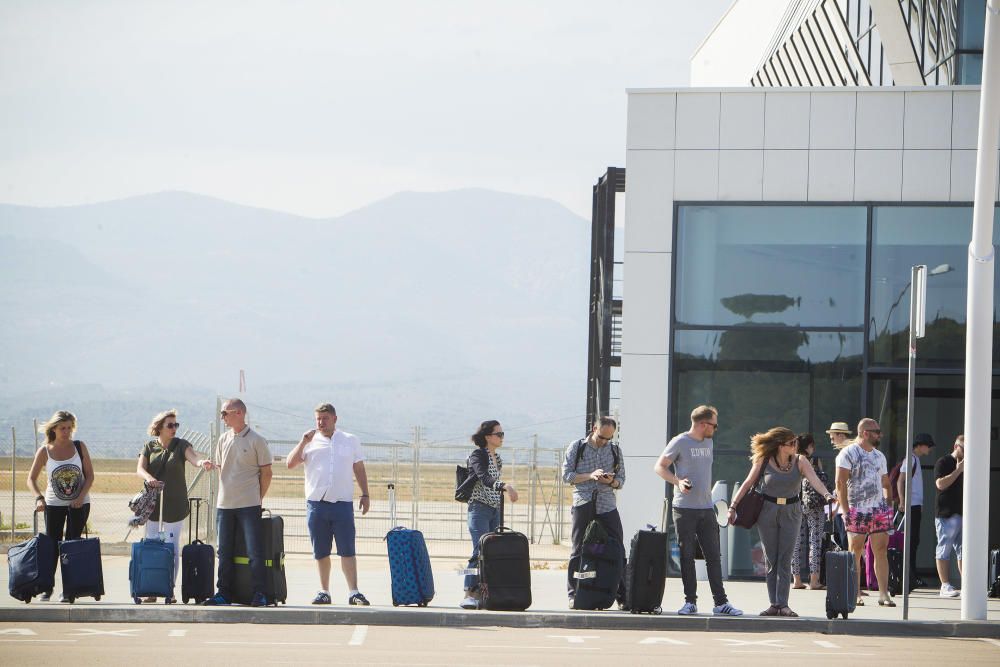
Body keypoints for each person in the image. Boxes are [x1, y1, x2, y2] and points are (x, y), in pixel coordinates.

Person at [730, 427, 835, 617]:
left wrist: (827, 495)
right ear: (780, 446)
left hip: (792, 511)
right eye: (792, 443)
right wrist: (733, 506)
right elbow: (747, 483)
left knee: (785, 559)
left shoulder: (800, 461)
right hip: (767, 511)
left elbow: (814, 481)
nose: (796, 445)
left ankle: (783, 604)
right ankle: (773, 604)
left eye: (796, 442)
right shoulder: (764, 461)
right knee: (772, 560)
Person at [654, 405, 743, 616]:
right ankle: (690, 602)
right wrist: (678, 482)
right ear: (703, 424)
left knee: (713, 556)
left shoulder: (709, 442)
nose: (716, 429)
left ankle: (721, 603)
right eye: (714, 425)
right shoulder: (680, 441)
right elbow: (659, 467)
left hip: (706, 508)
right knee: (686, 556)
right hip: (684, 509)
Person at [285, 403, 371, 606]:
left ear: (334, 419)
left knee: (347, 549)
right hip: (317, 504)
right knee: (321, 550)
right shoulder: (310, 441)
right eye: (318, 419)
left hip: (342, 504)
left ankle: (353, 591)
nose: (321, 423)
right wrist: (302, 442)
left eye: (325, 418)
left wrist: (365, 494)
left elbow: (358, 468)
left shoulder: (350, 440)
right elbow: (290, 463)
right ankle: (324, 590)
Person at [135, 409, 213, 602]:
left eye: (176, 425)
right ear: (159, 428)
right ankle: (152, 590)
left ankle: (169, 588)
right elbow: (140, 469)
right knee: (152, 545)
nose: (174, 428)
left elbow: (193, 458)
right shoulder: (149, 447)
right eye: (170, 425)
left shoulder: (181, 445)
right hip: (154, 505)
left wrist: (202, 462)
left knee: (171, 547)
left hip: (175, 506)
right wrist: (150, 479)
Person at [203, 398, 273, 606]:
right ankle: (223, 593)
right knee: (224, 551)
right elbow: (221, 467)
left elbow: (267, 473)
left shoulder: (257, 440)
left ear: (239, 413)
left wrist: (258, 498)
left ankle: (260, 593)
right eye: (222, 414)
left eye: (225, 413)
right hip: (224, 505)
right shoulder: (223, 439)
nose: (222, 417)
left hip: (249, 504)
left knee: (254, 551)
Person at [26, 410, 95, 603]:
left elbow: (90, 475)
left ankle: (69, 589)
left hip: (79, 505)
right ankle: (46, 588)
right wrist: (39, 498)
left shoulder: (79, 447)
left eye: (69, 428)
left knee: (72, 546)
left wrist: (80, 497)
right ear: (53, 429)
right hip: (54, 504)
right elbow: (31, 479)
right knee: (52, 546)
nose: (66, 432)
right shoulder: (45, 451)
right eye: (62, 428)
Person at [562, 417, 627, 608]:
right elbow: (567, 476)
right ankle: (574, 594)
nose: (604, 442)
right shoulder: (577, 447)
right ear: (594, 429)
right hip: (583, 500)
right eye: (601, 437)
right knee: (578, 548)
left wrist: (611, 482)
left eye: (609, 438)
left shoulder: (615, 450)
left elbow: (621, 480)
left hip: (607, 502)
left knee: (618, 548)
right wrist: (590, 476)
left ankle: (622, 596)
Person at [835, 417, 894, 607]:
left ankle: (884, 594)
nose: (880, 434)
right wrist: (846, 511)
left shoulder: (879, 456)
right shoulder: (848, 453)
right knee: (855, 551)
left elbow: (886, 482)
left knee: (881, 550)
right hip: (856, 509)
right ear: (865, 433)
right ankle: (855, 593)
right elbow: (840, 483)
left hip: (878, 509)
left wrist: (888, 507)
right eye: (877, 431)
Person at [460, 420, 518, 610]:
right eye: (498, 434)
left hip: (494, 509)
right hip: (479, 508)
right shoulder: (478, 455)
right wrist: (505, 486)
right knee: (479, 549)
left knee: (492, 553)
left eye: (502, 434)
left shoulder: (497, 458)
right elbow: (484, 478)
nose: (501, 438)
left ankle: (485, 592)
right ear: (487, 437)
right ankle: (469, 592)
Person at [791, 433, 832, 591]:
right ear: (808, 446)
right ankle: (814, 580)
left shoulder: (793, 461)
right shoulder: (813, 461)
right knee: (815, 541)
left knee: (796, 542)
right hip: (815, 505)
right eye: (812, 445)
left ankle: (797, 580)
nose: (813, 448)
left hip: (796, 505)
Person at [894, 432, 935, 589]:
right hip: (910, 506)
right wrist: (903, 502)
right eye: (928, 445)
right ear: (920, 445)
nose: (930, 448)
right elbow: (900, 480)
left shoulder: (915, 459)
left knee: (914, 541)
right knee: (911, 541)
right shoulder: (910, 459)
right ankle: (909, 575)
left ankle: (912, 575)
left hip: (916, 505)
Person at [933, 434, 964, 598]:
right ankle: (944, 585)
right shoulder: (944, 462)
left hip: (963, 513)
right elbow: (940, 484)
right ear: (955, 446)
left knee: (964, 551)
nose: (965, 452)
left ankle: (966, 584)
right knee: (944, 548)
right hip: (946, 513)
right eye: (963, 448)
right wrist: (958, 470)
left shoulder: (969, 462)